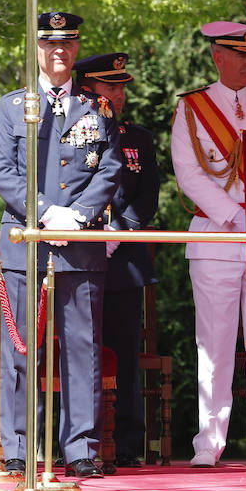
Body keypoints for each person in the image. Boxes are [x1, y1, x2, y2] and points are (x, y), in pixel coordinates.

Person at [0, 12, 123, 478]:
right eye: (50, 44)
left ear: (75, 46)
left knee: (82, 349)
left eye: (67, 43)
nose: (59, 51)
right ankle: (19, 446)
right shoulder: (13, 106)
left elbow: (109, 167)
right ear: (38, 49)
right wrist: (46, 213)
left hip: (80, 243)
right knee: (22, 349)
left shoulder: (97, 106)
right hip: (28, 239)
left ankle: (81, 447)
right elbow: (4, 172)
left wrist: (79, 215)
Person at [171, 21, 246, 468]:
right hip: (217, 235)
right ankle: (210, 442)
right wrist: (233, 214)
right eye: (240, 55)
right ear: (216, 57)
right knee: (215, 343)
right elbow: (188, 172)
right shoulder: (193, 107)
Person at [73, 52, 160, 468]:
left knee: (124, 353)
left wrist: (119, 230)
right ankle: (69, 442)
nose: (120, 95)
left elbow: (148, 197)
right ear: (87, 88)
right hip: (73, 251)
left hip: (123, 260)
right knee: (76, 350)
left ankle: (124, 443)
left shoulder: (137, 137)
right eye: (111, 87)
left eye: (123, 87)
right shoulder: (66, 130)